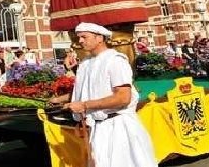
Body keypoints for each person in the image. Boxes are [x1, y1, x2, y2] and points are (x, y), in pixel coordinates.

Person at [50, 22, 157, 167]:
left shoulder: (115, 61)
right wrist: (58, 100)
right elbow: (85, 93)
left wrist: (84, 105)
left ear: (99, 38)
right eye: (79, 37)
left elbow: (123, 98)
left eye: (84, 37)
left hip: (120, 128)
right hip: (98, 129)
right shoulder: (86, 64)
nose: (80, 40)